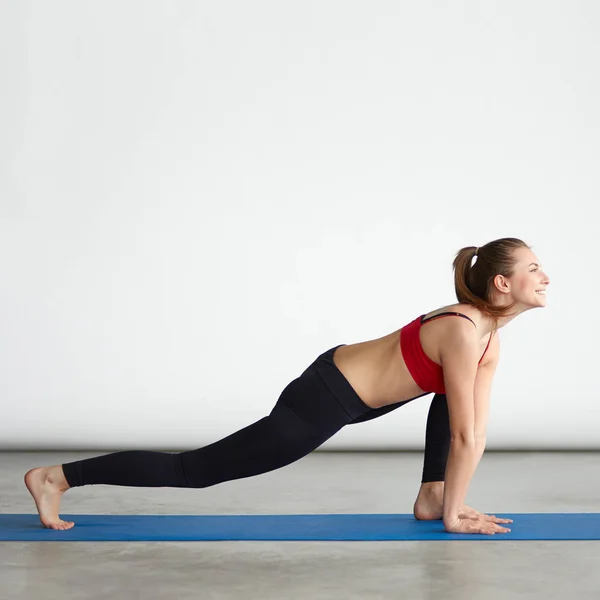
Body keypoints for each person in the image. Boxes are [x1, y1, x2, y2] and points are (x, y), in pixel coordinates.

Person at [24, 237, 550, 535]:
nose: (545, 276)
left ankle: (432, 498)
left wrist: (449, 503)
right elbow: (463, 438)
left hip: (352, 394)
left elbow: (472, 431)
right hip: (328, 394)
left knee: (447, 398)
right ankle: (57, 478)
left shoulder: (488, 342)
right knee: (196, 470)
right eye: (534, 268)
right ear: (502, 284)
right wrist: (460, 517)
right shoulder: (462, 331)